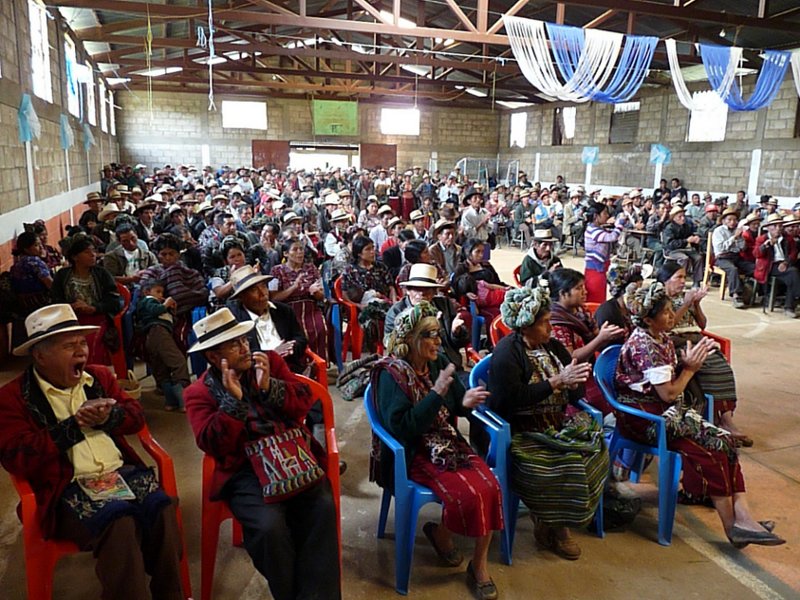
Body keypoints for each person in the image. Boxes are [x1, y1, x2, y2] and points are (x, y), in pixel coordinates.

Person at [0, 304, 185, 599]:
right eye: (68, 345)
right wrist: (73, 426)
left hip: (120, 473)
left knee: (162, 508)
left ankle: (172, 594)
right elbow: (16, 456)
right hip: (65, 487)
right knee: (120, 523)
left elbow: (135, 416)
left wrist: (109, 418)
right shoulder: (12, 397)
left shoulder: (98, 378)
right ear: (40, 354)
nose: (81, 352)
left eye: (82, 343)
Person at [184, 308, 341, 600]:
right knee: (270, 528)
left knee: (321, 507)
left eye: (245, 339)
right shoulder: (198, 393)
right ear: (211, 356)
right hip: (245, 471)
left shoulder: (269, 363)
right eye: (234, 344)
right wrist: (233, 402)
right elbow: (212, 444)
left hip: (291, 455)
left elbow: (304, 403)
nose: (245, 347)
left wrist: (270, 387)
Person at [614, 282, 784, 548]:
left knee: (726, 442)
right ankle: (732, 528)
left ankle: (744, 518)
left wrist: (688, 361)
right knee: (710, 451)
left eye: (672, 310)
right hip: (646, 419)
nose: (673, 316)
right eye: (667, 312)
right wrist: (690, 369)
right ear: (648, 319)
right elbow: (669, 394)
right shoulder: (644, 346)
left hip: (668, 413)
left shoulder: (661, 337)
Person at [371, 302, 501, 599]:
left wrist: (464, 401)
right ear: (412, 339)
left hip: (445, 442)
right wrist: (436, 393)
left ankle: (477, 564)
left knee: (492, 487)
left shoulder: (437, 361)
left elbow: (454, 404)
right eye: (430, 335)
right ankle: (442, 533)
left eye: (438, 334)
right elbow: (403, 428)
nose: (438, 341)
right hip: (413, 451)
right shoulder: (392, 374)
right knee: (469, 492)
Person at [488, 286, 607, 560]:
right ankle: (557, 528)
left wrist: (575, 381)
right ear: (525, 326)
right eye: (544, 323)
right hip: (521, 433)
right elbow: (508, 400)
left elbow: (574, 393)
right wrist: (555, 382)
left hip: (554, 426)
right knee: (567, 463)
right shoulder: (508, 352)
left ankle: (550, 522)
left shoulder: (552, 347)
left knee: (594, 450)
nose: (550, 328)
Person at [657, 262, 751, 448]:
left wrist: (696, 304)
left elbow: (702, 324)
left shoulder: (686, 297)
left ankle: (726, 419)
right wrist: (685, 304)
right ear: (666, 280)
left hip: (695, 337)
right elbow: (668, 326)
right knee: (705, 369)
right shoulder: (660, 299)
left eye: (685, 277)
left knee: (722, 367)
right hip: (676, 341)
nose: (683, 282)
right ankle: (715, 421)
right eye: (679, 277)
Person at [546, 268, 624, 414]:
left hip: (590, 368)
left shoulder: (581, 312)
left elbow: (594, 336)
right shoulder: (556, 322)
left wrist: (606, 334)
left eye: (583, 287)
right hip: (572, 378)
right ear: (563, 294)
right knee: (607, 405)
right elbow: (570, 358)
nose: (585, 291)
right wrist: (600, 338)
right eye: (578, 288)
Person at [384, 263, 469, 378]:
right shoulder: (396, 312)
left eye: (427, 289)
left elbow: (461, 343)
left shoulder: (444, 305)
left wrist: (456, 332)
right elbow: (393, 347)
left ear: (434, 292)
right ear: (408, 290)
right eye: (417, 289)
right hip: (417, 371)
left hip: (450, 367)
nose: (422, 294)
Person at [51, 233, 122, 366]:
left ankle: (91, 372)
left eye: (94, 251)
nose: (93, 255)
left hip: (97, 317)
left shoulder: (102, 274)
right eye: (86, 252)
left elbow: (114, 301)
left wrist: (94, 308)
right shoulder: (63, 275)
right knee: (65, 344)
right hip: (71, 318)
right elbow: (55, 300)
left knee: (88, 341)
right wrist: (69, 307)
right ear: (74, 257)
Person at [134, 279, 191, 411]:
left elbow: (169, 319)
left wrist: (171, 310)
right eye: (158, 292)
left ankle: (171, 401)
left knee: (161, 369)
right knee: (178, 362)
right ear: (146, 292)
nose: (161, 295)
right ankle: (183, 400)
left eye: (162, 292)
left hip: (155, 335)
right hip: (158, 332)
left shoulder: (156, 304)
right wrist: (165, 304)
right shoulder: (148, 301)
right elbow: (155, 310)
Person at [270, 238, 329, 362]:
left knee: (320, 329)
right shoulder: (276, 271)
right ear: (286, 254)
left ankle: (319, 366)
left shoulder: (311, 268)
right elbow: (273, 297)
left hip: (310, 307)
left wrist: (316, 292)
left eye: (301, 249)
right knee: (298, 335)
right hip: (287, 310)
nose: (299, 253)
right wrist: (294, 287)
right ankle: (300, 366)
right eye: (295, 249)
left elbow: (322, 296)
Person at [340, 236, 396, 352]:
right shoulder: (350, 270)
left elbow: (391, 287)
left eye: (373, 248)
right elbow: (344, 295)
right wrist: (358, 306)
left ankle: (393, 349)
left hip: (384, 301)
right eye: (368, 249)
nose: (372, 252)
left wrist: (394, 301)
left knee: (396, 313)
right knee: (372, 319)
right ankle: (375, 352)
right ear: (359, 253)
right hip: (362, 307)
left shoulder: (380, 267)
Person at [453, 238, 509, 323]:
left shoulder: (486, 265)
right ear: (469, 252)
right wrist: (466, 293)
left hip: (495, 296)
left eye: (483, 251)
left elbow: (496, 282)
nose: (481, 255)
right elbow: (456, 287)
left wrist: (507, 287)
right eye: (477, 252)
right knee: (496, 315)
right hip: (478, 304)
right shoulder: (462, 268)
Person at [754, 213, 799, 318]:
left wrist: (786, 262)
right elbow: (756, 254)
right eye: (774, 226)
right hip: (769, 266)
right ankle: (791, 305)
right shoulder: (762, 239)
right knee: (793, 273)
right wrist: (765, 246)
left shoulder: (787, 238)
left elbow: (793, 252)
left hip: (785, 264)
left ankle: (789, 306)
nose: (778, 228)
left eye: (780, 226)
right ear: (769, 227)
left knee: (792, 277)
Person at [711, 208, 755, 309]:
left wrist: (739, 238)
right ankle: (736, 295)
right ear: (723, 221)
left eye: (735, 220)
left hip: (736, 257)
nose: (732, 222)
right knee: (733, 269)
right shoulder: (718, 231)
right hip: (722, 258)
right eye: (729, 219)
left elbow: (742, 248)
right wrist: (734, 237)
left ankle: (755, 291)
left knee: (754, 267)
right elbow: (721, 248)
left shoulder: (737, 231)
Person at [584, 202, 624, 303]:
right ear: (596, 216)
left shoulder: (596, 228)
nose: (607, 215)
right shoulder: (593, 230)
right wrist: (619, 225)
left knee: (600, 298)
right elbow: (612, 237)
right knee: (595, 300)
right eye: (605, 213)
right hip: (595, 271)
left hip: (600, 269)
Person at [595, 263, 648, 335]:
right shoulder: (608, 314)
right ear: (625, 291)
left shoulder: (633, 308)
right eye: (635, 290)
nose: (639, 294)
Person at [662, 205, 704, 288]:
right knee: (684, 258)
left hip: (684, 249)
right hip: (672, 251)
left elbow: (691, 234)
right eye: (680, 216)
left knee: (698, 257)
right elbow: (670, 244)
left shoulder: (686, 226)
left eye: (683, 216)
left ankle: (697, 281)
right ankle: (680, 279)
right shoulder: (669, 228)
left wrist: (695, 238)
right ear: (673, 218)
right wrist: (686, 241)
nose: (683, 218)